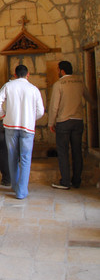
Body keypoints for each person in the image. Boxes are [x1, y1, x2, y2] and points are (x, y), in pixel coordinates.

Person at [0, 64, 44, 200]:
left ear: (14, 75)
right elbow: (40, 111)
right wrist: (31, 118)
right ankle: (21, 191)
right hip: (27, 128)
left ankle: (14, 186)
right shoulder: (34, 89)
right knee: (26, 158)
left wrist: (4, 115)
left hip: (11, 126)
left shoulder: (9, 86)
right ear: (28, 75)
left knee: (12, 156)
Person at [48, 60, 92, 190]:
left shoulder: (59, 84)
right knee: (77, 151)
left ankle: (65, 181)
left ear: (62, 71)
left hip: (64, 121)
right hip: (78, 120)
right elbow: (89, 98)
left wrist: (51, 122)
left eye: (58, 70)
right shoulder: (80, 82)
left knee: (63, 152)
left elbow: (54, 106)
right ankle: (77, 181)